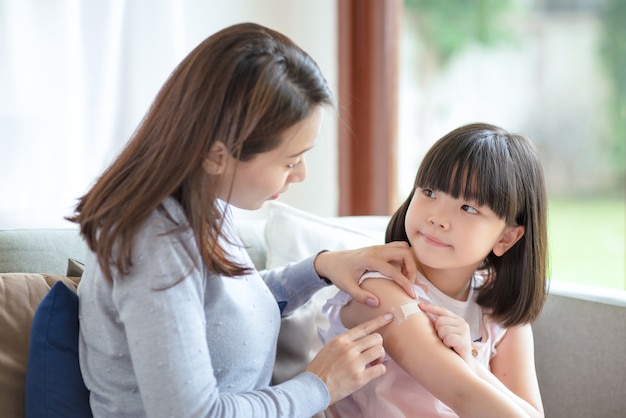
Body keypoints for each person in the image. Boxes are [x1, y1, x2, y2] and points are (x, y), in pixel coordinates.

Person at [67, 22, 419, 417]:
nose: (300, 174)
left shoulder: (200, 206)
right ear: (219, 155)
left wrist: (320, 268)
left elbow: (226, 310)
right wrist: (319, 385)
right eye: (290, 160)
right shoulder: (155, 242)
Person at [320, 123, 548, 417]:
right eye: (429, 191)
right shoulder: (382, 290)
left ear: (506, 238)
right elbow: (464, 395)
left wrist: (472, 363)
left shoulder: (499, 310)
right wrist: (472, 372)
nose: (437, 218)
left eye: (468, 207)